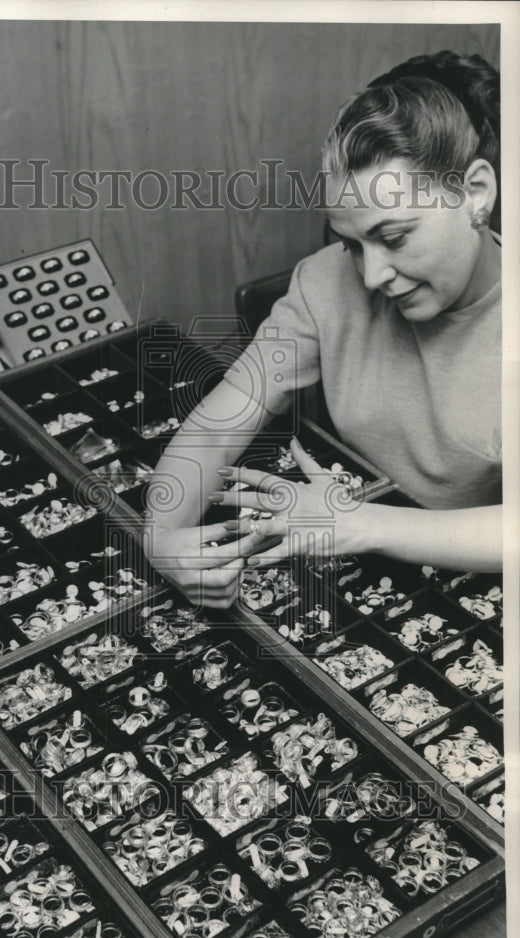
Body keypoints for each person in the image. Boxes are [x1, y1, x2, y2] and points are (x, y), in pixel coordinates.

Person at [143, 51, 502, 609]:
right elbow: (220, 422)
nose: (373, 274)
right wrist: (162, 539)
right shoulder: (325, 282)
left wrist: (360, 524)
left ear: (475, 193)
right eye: (352, 244)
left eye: (395, 236)